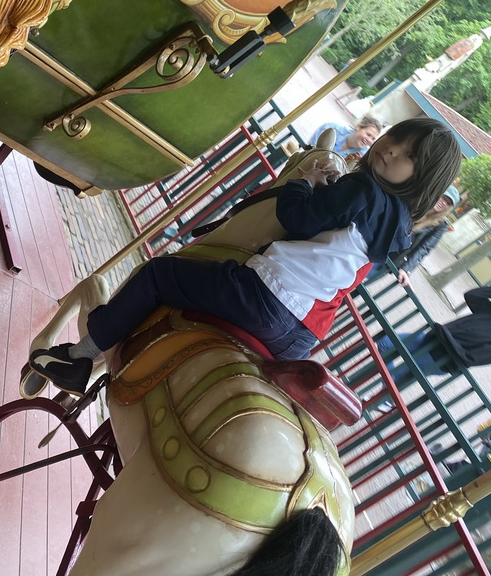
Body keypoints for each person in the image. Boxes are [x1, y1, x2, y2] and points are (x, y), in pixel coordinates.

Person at [26, 117, 462, 396]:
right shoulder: (397, 227)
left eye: (408, 156)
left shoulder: (363, 188)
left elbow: (297, 218)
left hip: (265, 296)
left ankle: (80, 357)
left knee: (159, 274)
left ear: (419, 175)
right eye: (393, 139)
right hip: (298, 339)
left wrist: (304, 180)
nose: (390, 150)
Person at [378, 286, 491, 385]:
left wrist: (444, 334)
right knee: (385, 344)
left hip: (437, 360)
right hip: (430, 338)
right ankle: (387, 393)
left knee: (395, 377)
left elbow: (468, 358)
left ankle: (380, 401)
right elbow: (472, 295)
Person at [385, 183, 460, 287]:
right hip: (377, 238)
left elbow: (424, 248)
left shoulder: (440, 224)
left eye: (448, 203)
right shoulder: (417, 201)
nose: (443, 203)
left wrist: (406, 269)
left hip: (390, 255)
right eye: (443, 197)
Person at [309, 115, 382, 161]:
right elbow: (310, 148)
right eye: (368, 134)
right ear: (358, 127)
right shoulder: (333, 129)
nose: (369, 140)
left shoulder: (362, 155)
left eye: (373, 139)